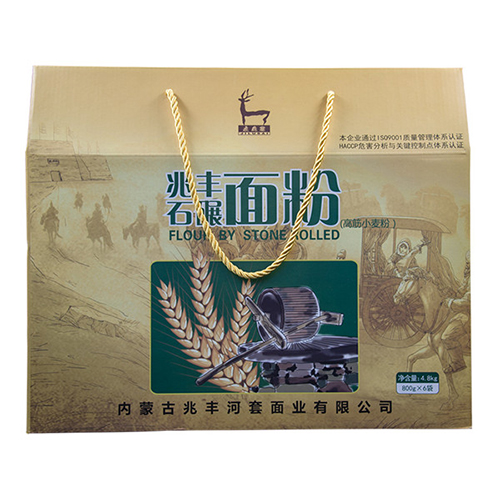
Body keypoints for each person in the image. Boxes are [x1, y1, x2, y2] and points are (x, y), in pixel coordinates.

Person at [442, 251, 470, 373]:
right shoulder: (469, 275)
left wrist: (450, 302)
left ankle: (458, 363)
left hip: (469, 314)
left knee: (446, 336)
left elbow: (468, 301)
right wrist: (454, 293)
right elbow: (463, 288)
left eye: (469, 262)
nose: (467, 265)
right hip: (465, 311)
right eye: (467, 262)